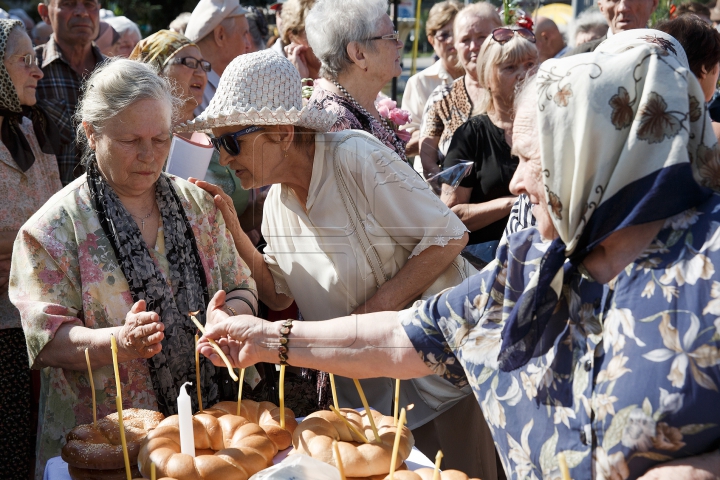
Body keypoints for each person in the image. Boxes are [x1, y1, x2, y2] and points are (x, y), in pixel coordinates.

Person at [199, 30, 720, 480]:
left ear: (598, 153)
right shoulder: (534, 258)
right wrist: (263, 338)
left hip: (434, 402)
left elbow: (440, 240)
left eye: (535, 160)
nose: (516, 182)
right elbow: (411, 335)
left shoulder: (707, 264)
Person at [182, 50, 500, 479]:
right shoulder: (276, 199)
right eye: (218, 144)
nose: (223, 158)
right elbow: (278, 292)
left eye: (230, 142)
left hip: (439, 376)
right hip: (364, 402)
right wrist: (237, 235)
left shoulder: (354, 156)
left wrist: (366, 321)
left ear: (281, 132)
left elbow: (449, 236)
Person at [9, 59, 258, 479]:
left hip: (206, 438)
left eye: (161, 139)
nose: (149, 155)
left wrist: (229, 317)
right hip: (107, 449)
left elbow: (241, 284)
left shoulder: (197, 206)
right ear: (91, 132)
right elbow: (47, 341)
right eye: (130, 140)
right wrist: (119, 342)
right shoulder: (51, 230)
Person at [0, 19, 62, 480]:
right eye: (24, 61)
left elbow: (56, 216)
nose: (37, 71)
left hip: (36, 322)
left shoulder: (30, 125)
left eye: (36, 58)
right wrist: (27, 241)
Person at [129, 30, 253, 242]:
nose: (200, 73)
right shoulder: (144, 144)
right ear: (156, 72)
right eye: (189, 63)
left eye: (203, 65)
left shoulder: (217, 132)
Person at [442, 27, 537, 267]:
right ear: (486, 78)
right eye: (510, 67)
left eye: (529, 64)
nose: (523, 75)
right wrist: (515, 204)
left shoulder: (551, 127)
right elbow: (450, 216)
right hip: (484, 265)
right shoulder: (470, 136)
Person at [305, 0, 410, 164]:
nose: (400, 43)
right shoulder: (336, 122)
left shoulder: (360, 100)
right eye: (391, 36)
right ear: (359, 54)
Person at [419, 2, 501, 178]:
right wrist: (447, 194)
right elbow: (427, 160)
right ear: (455, 45)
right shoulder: (442, 99)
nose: (473, 46)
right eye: (465, 40)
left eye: (481, 37)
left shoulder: (517, 91)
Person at [36, 0, 104, 186]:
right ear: (44, 13)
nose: (81, 12)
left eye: (89, 4)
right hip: (46, 210)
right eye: (68, 3)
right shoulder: (30, 71)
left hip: (110, 209)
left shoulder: (117, 75)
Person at [401, 0, 464, 168]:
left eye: (457, 33)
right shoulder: (419, 82)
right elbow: (406, 142)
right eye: (444, 35)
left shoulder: (484, 76)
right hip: (434, 175)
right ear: (431, 41)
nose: (452, 41)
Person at [185, 0, 251, 114]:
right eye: (244, 34)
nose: (248, 45)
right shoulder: (193, 92)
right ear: (220, 35)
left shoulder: (229, 83)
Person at [566, 0, 658, 55]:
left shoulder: (669, 52)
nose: (622, 8)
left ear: (653, 3)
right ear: (601, 7)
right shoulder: (576, 59)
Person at [281, 0, 320, 80]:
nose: (325, 38)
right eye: (314, 30)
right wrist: (299, 81)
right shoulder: (281, 81)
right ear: (292, 36)